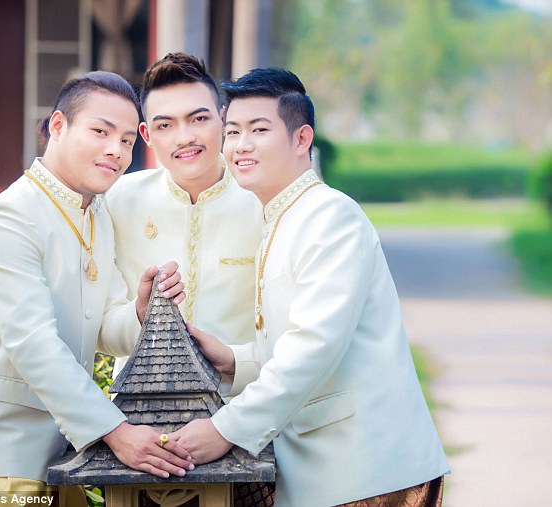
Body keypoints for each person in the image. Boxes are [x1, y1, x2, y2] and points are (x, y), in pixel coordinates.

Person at [172, 68, 450, 507]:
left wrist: (227, 429)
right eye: (233, 132)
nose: (241, 145)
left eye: (259, 130)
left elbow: (315, 345)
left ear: (302, 139)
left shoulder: (330, 216)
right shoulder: (282, 217)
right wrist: (234, 359)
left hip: (366, 473)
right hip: (328, 475)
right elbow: (295, 341)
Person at [0, 71, 194, 507]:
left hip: (68, 455)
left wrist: (140, 311)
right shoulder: (12, 214)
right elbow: (33, 344)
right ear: (58, 126)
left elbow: (103, 328)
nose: (116, 150)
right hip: (5, 457)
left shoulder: (96, 212)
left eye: (127, 140)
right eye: (101, 131)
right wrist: (116, 432)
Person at [105, 52, 263, 386]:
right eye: (165, 125)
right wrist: (138, 313)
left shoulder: (263, 200)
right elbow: (98, 324)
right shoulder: (117, 200)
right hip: (138, 405)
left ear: (223, 119)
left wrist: (239, 365)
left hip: (243, 400)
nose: (185, 138)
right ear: (147, 134)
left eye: (199, 119)